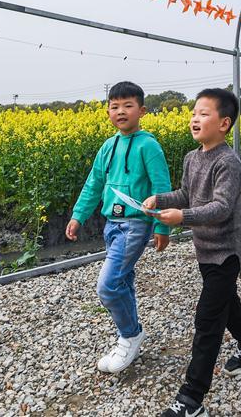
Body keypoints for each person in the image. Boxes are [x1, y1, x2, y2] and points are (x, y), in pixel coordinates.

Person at [146, 89, 241, 417]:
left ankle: (191, 399)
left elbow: (222, 207)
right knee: (227, 304)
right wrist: (162, 200)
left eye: (204, 113)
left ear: (224, 123)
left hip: (226, 250)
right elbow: (187, 193)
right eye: (194, 113)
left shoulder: (229, 162)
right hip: (204, 248)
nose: (195, 118)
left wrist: (182, 217)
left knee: (208, 318)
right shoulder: (191, 158)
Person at [66, 81, 172, 374]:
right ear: (108, 111)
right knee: (122, 280)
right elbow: (94, 183)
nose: (121, 111)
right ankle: (132, 333)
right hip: (111, 224)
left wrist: (162, 228)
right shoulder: (108, 146)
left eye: (128, 106)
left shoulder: (148, 145)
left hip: (135, 224)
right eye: (115, 106)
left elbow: (161, 187)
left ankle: (130, 335)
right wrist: (78, 215)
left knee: (108, 286)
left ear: (142, 110)